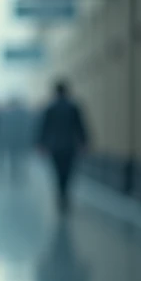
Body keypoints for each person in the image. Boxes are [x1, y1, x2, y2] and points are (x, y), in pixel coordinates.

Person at [37, 80, 89, 215]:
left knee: (57, 171)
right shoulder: (73, 107)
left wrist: (41, 144)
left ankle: (60, 194)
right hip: (69, 145)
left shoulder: (50, 108)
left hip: (54, 146)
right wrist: (84, 142)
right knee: (68, 171)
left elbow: (44, 128)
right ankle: (64, 193)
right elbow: (80, 126)